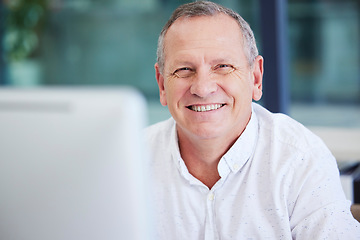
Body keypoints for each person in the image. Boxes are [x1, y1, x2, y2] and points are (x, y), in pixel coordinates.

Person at [145, 1, 360, 239]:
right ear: (162, 84)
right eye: (184, 69)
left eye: (223, 66)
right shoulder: (129, 160)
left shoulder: (300, 159)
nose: (203, 88)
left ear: (256, 78)